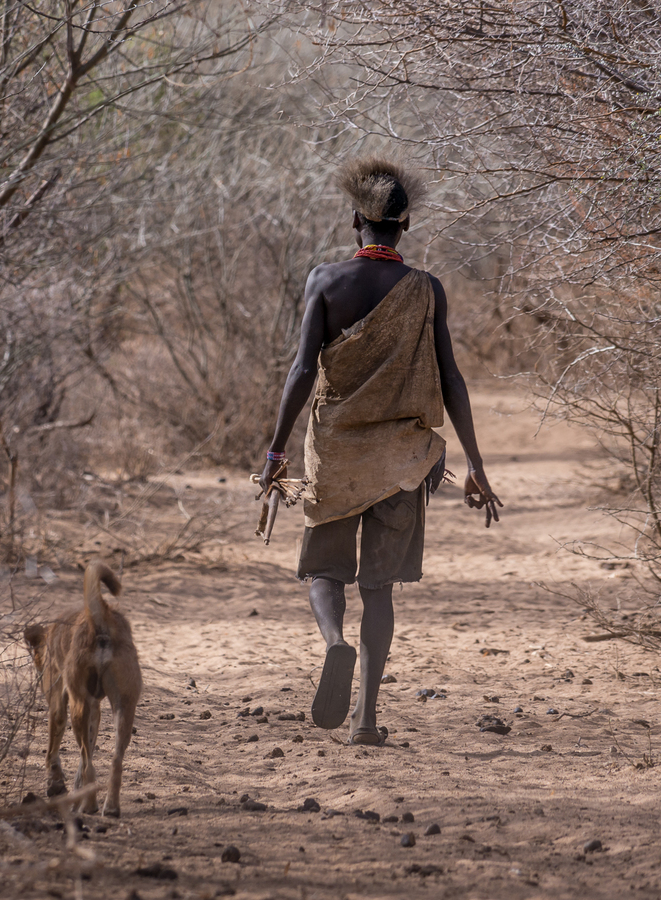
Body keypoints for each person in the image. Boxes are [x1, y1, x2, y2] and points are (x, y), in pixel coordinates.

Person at [259, 156, 501, 745]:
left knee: (323, 569)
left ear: (354, 222)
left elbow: (300, 371)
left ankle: (335, 644)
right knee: (378, 588)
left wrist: (274, 454)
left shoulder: (325, 281)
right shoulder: (426, 291)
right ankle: (366, 720)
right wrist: (475, 463)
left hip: (337, 456)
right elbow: (452, 379)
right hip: (402, 461)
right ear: (405, 224)